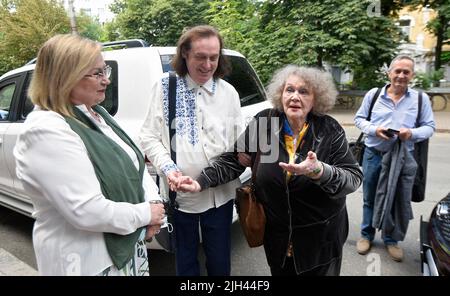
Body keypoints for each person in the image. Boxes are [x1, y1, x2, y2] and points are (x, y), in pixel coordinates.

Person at [175, 65, 363, 276]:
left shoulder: (329, 129)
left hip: (320, 239)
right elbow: (232, 160)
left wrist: (320, 171)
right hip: (278, 239)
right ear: (280, 93)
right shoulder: (265, 121)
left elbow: (353, 177)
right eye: (289, 89)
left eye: (303, 91)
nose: (294, 96)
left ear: (316, 98)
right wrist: (201, 181)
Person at [13, 34, 166, 276]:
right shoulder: (46, 129)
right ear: (64, 77)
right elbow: (86, 210)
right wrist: (147, 213)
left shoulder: (97, 113)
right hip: (87, 261)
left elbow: (134, 162)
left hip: (125, 249)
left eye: (105, 70)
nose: (106, 80)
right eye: (96, 73)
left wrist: (154, 203)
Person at [139, 25, 243, 276]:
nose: (208, 65)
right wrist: (170, 169)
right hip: (181, 197)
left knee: (219, 263)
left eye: (214, 58)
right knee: (185, 264)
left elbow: (238, 145)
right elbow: (148, 136)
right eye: (200, 57)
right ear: (184, 54)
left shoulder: (228, 93)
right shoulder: (165, 87)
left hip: (220, 195)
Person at [354, 55, 435, 262]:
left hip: (402, 159)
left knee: (397, 199)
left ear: (412, 75)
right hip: (373, 155)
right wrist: (375, 129)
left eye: (406, 72)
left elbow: (429, 127)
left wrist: (412, 134)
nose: (401, 75)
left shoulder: (420, 99)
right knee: (369, 198)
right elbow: (359, 119)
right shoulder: (374, 95)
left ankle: (391, 239)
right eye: (397, 71)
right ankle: (367, 235)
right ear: (389, 73)